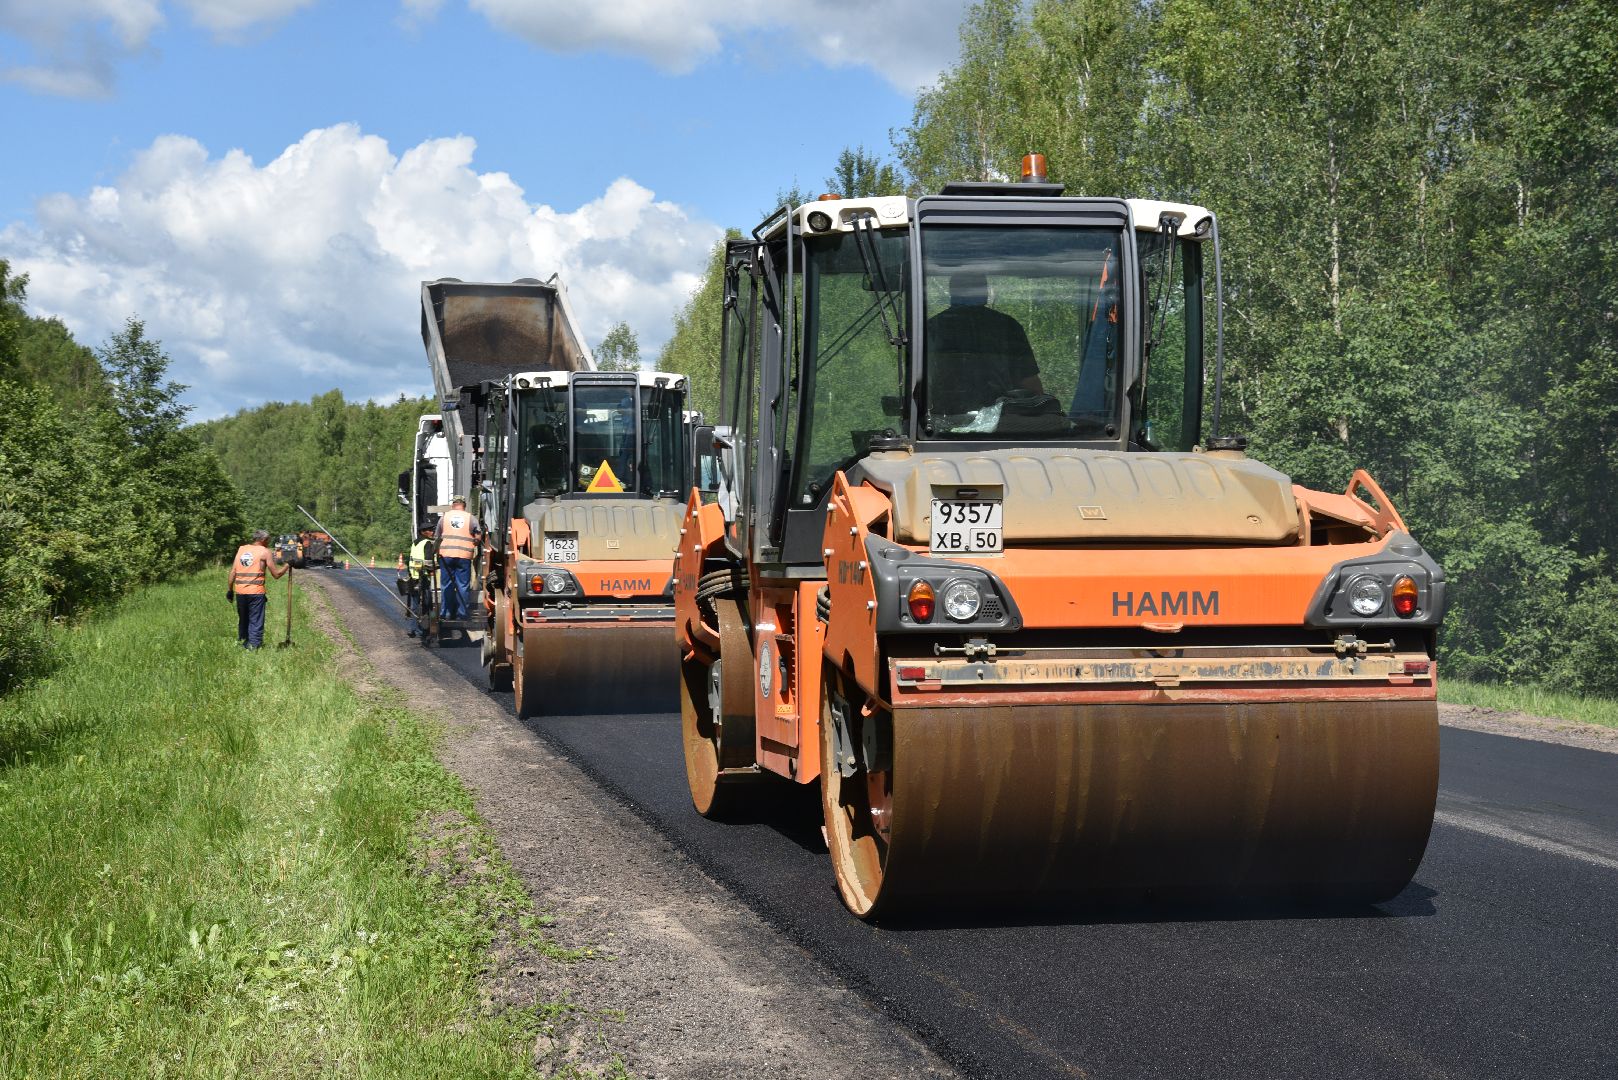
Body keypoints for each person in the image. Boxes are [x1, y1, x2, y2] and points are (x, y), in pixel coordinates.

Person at [925, 271, 1043, 414]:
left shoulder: (932, 328)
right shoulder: (1007, 326)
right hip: (1002, 425)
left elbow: (922, 385)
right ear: (984, 292)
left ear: (952, 292)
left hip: (941, 427)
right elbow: (1031, 385)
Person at [227, 528, 288, 650]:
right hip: (256, 593)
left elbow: (233, 572)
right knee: (256, 620)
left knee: (243, 619)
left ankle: (243, 642)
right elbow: (276, 575)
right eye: (268, 540)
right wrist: (287, 565)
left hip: (240, 591)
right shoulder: (265, 552)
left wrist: (230, 590)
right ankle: (253, 647)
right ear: (264, 540)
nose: (268, 542)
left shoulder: (242, 549)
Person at [434, 497, 480, 622]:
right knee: (463, 586)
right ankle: (462, 614)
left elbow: (437, 537)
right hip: (464, 556)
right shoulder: (471, 518)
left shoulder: (444, 518)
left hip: (446, 556)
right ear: (464, 505)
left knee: (446, 585)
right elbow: (478, 536)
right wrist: (474, 543)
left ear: (453, 505)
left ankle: (446, 613)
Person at [406, 525, 436, 638]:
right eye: (429, 530)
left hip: (414, 577)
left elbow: (412, 559)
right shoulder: (427, 543)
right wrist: (432, 570)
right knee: (429, 604)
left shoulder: (415, 543)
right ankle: (428, 628)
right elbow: (428, 561)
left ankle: (412, 628)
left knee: (415, 604)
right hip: (423, 577)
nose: (432, 532)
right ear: (423, 532)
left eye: (432, 530)